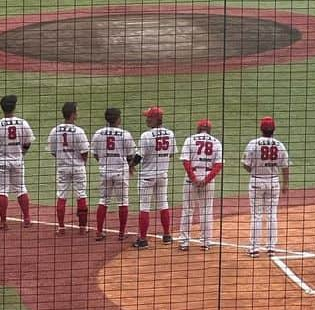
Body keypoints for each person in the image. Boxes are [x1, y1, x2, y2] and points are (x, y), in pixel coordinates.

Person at [242, 116, 290, 256]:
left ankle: (254, 249)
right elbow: (285, 166)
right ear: (274, 129)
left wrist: (253, 169)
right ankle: (271, 248)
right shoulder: (279, 145)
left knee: (256, 216)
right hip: (274, 182)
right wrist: (286, 184)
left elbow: (246, 164)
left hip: (256, 181)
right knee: (271, 215)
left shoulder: (253, 143)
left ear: (261, 129)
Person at [0, 94, 34, 229]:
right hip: (17, 161)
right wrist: (21, 153)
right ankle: (27, 219)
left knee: (2, 191)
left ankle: (3, 222)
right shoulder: (23, 123)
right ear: (14, 107)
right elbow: (28, 142)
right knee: (20, 188)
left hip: (1, 162)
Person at [133, 106, 176, 249]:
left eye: (149, 117)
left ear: (156, 119)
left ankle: (143, 239)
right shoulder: (170, 134)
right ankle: (167, 236)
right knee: (163, 204)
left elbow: (139, 156)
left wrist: (130, 165)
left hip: (147, 177)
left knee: (144, 207)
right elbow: (171, 153)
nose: (146, 119)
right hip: (163, 175)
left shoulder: (146, 135)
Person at [178, 119, 224, 252]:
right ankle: (205, 243)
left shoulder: (190, 140)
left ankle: (184, 242)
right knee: (206, 210)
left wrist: (193, 178)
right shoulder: (216, 142)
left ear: (198, 129)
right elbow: (218, 165)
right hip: (208, 176)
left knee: (187, 210)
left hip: (191, 176)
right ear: (209, 130)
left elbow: (186, 161)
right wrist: (206, 180)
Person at [90, 107, 135, 242]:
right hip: (121, 172)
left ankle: (98, 232)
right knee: (123, 202)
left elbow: (95, 154)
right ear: (117, 119)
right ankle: (121, 233)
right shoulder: (125, 134)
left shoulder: (98, 133)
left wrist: (104, 162)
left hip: (105, 171)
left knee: (103, 201)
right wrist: (130, 167)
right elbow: (130, 155)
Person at [47, 101, 89, 234]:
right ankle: (82, 228)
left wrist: (62, 158)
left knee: (61, 196)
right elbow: (84, 152)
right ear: (72, 114)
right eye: (76, 111)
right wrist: (82, 163)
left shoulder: (55, 130)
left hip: (62, 168)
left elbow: (53, 151)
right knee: (81, 195)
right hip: (78, 167)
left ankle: (61, 227)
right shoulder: (79, 131)